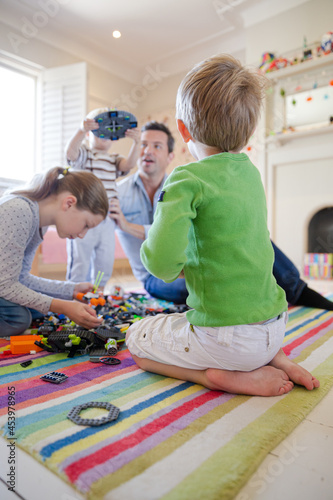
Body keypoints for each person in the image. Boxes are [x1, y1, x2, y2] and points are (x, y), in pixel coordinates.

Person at [124, 54, 320, 397]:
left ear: (182, 130)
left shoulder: (185, 178)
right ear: (249, 130)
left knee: (137, 340)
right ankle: (276, 358)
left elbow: (161, 266)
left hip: (229, 343)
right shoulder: (250, 173)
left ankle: (217, 377)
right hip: (275, 328)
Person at [111, 122, 333, 311]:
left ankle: (297, 290)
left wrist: (128, 225)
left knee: (257, 239)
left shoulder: (183, 184)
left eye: (156, 146)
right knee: (208, 285)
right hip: (155, 278)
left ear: (170, 156)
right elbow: (162, 244)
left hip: (198, 258)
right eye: (143, 144)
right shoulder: (118, 192)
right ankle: (255, 297)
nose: (147, 151)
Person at [0, 166, 109, 337]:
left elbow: (20, 278)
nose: (82, 235)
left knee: (38, 310)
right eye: (86, 225)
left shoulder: (38, 223)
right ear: (69, 203)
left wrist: (70, 290)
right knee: (19, 318)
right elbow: (5, 285)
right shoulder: (19, 211)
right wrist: (63, 306)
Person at [65, 107, 140, 289]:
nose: (103, 137)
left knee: (104, 263)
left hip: (107, 220)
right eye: (99, 132)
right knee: (80, 263)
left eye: (108, 134)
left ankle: (97, 292)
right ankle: (73, 294)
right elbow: (70, 154)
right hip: (83, 218)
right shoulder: (85, 154)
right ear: (91, 134)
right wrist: (80, 131)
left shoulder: (114, 159)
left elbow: (129, 164)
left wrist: (137, 143)